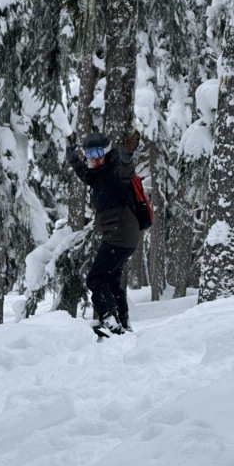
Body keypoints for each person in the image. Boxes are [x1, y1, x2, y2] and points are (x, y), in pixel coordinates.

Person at [66, 129, 141, 336]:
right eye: (89, 154)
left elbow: (127, 172)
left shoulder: (115, 171)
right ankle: (124, 324)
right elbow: (84, 173)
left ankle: (110, 321)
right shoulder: (97, 175)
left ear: (107, 151)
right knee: (111, 280)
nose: (94, 159)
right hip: (124, 237)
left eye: (97, 152)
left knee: (95, 279)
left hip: (120, 235)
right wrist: (72, 155)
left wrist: (127, 154)